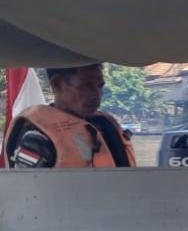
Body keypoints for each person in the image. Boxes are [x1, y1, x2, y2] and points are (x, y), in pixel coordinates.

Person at [3, 63, 136, 168]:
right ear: (57, 84)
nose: (96, 94)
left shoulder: (105, 128)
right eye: (86, 85)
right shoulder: (36, 139)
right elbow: (27, 194)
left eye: (100, 86)